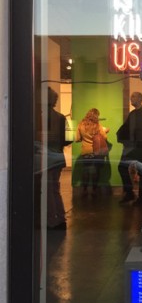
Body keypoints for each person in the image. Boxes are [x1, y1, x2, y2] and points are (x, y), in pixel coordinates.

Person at [116, 92, 142, 205]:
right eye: (131, 97)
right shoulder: (133, 113)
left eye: (133, 97)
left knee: (141, 171)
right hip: (130, 146)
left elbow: (141, 130)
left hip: (138, 146)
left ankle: (141, 196)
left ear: (140, 98)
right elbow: (126, 127)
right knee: (122, 167)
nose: (131, 98)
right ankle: (130, 192)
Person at [46, 87, 70, 230]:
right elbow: (69, 139)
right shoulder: (61, 117)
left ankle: (52, 220)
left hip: (47, 157)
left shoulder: (41, 117)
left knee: (48, 189)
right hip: (58, 156)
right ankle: (60, 217)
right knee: (54, 188)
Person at [75, 108, 109, 195]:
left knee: (86, 170)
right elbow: (104, 138)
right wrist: (106, 130)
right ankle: (94, 190)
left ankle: (85, 190)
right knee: (95, 170)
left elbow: (77, 139)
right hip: (96, 151)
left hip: (85, 151)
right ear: (96, 116)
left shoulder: (80, 125)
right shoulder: (98, 126)